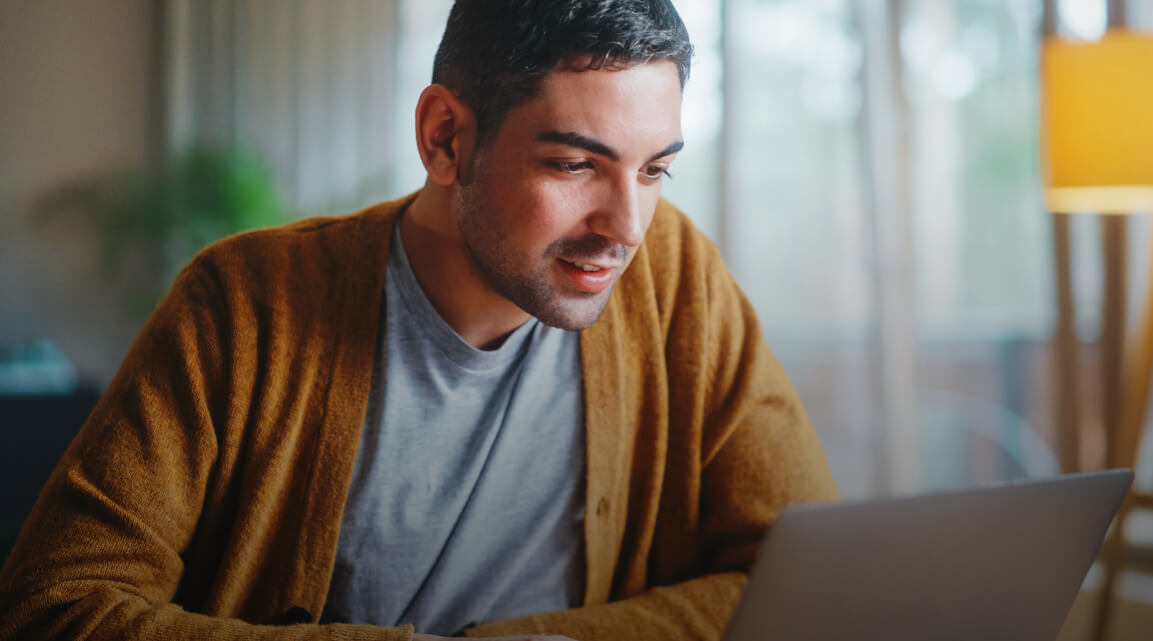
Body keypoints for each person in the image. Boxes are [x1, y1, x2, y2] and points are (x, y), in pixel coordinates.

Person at [0, 1, 837, 639]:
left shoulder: (677, 276)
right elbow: (58, 602)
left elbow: (795, 572)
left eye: (653, 170)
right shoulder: (244, 304)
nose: (625, 226)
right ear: (444, 138)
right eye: (575, 164)